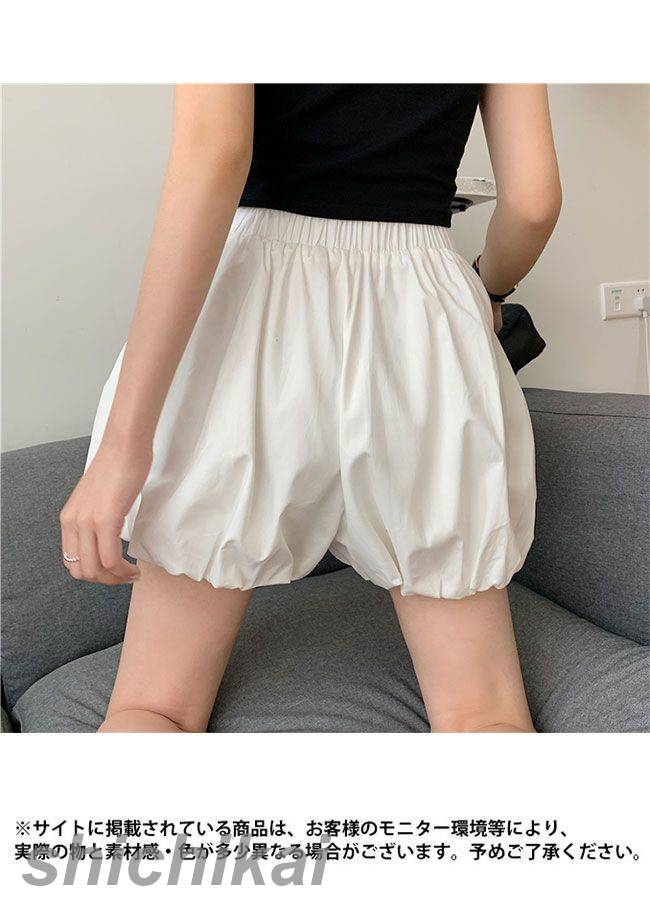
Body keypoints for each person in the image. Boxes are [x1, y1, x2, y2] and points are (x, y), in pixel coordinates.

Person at [59, 84, 562, 733]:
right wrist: (488, 287)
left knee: (154, 708)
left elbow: (215, 153)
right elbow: (534, 203)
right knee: (481, 715)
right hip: (422, 310)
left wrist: (123, 447)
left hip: (253, 308)